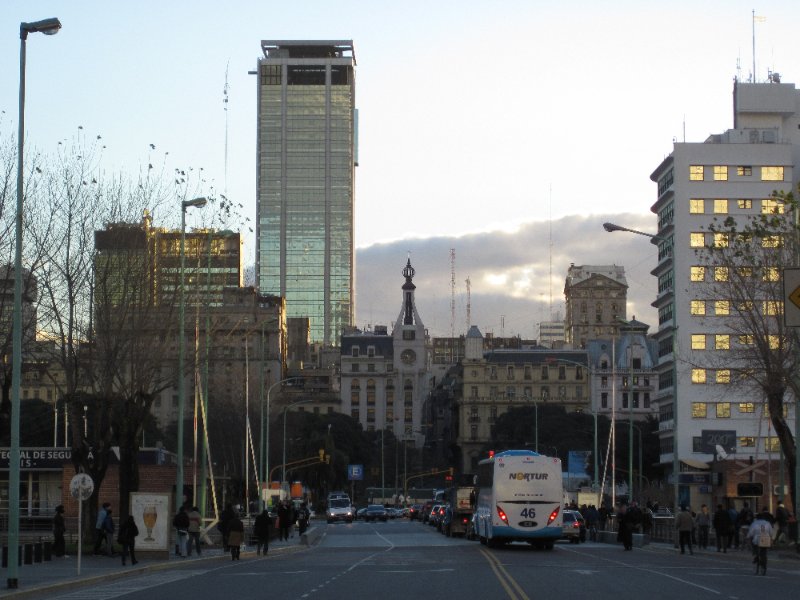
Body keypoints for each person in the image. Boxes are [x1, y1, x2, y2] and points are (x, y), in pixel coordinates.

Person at [747, 511, 775, 576]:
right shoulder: (767, 523)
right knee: (764, 553)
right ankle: (764, 566)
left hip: (756, 540)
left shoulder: (754, 523)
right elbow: (771, 533)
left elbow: (750, 533)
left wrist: (748, 538)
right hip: (765, 540)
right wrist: (771, 541)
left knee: (755, 551)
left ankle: (756, 558)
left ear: (757, 518)